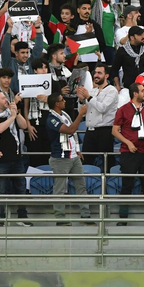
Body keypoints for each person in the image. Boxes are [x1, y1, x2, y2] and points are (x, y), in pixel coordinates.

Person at [113, 80, 144, 225]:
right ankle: (123, 218)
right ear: (135, 93)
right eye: (142, 90)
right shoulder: (123, 110)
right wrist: (128, 142)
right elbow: (114, 130)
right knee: (127, 185)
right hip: (129, 152)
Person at [0, 89, 31, 226]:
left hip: (17, 157)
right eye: (3, 98)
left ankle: (22, 216)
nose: (6, 100)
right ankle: (0, 218)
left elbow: (24, 126)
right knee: (1, 188)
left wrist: (15, 113)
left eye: (6, 97)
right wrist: (11, 117)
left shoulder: (11, 113)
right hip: (0, 160)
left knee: (21, 187)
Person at [45, 92, 92, 225]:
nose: (65, 101)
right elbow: (70, 130)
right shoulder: (51, 119)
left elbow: (74, 133)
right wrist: (80, 114)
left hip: (73, 156)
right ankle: (60, 217)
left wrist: (77, 149)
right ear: (56, 104)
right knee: (60, 188)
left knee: (81, 186)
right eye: (62, 100)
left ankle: (86, 215)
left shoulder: (64, 115)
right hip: (60, 158)